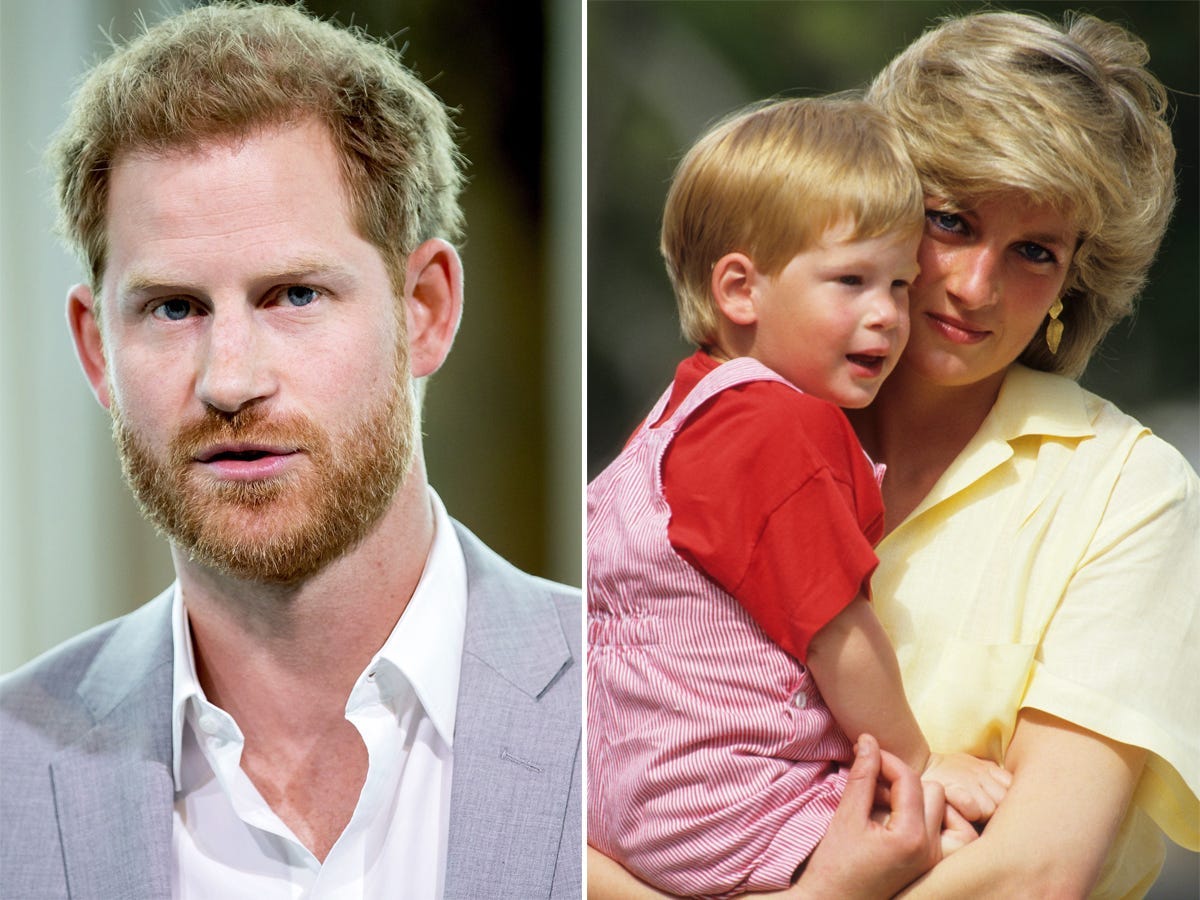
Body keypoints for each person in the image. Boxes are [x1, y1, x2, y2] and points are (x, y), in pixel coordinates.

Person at [589, 9, 1197, 899]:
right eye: (950, 221)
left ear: (1075, 282)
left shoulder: (1130, 490)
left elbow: (1032, 875)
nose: (974, 285)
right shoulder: (729, 421)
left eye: (1035, 251)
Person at [0, 4, 580, 898]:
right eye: (173, 308)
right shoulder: (12, 772)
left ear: (424, 309)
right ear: (95, 350)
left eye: (294, 295)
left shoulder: (624, 692)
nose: (229, 380)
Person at [588, 96, 1008, 899]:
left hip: (626, 818)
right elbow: (836, 635)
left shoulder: (676, 417)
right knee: (961, 849)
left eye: (900, 283)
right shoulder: (781, 428)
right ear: (741, 290)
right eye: (851, 281)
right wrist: (922, 764)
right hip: (735, 810)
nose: (887, 315)